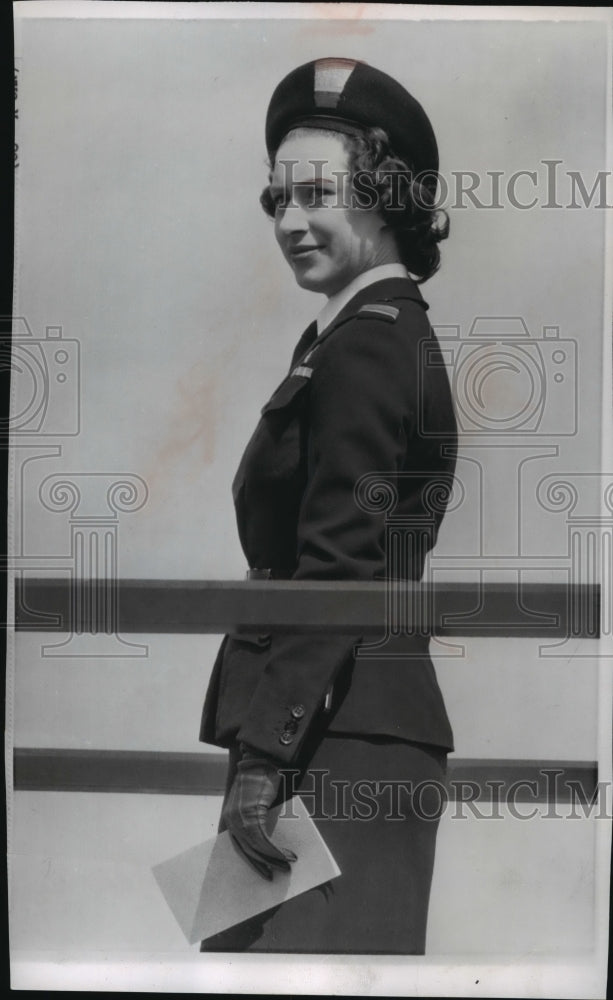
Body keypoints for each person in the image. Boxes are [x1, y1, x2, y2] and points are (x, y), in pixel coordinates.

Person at [199, 56, 457, 954]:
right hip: (318, 727)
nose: (290, 221)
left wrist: (263, 761)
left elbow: (340, 560)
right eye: (278, 199)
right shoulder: (354, 337)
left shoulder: (367, 345)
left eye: (316, 193)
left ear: (383, 196)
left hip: (334, 741)